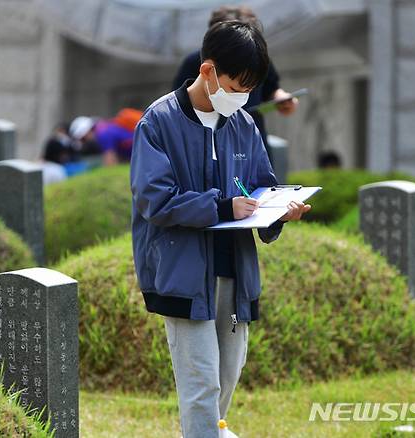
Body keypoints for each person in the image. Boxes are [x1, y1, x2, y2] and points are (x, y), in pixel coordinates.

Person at [130, 21, 311, 438]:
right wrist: (221, 205)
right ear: (208, 71)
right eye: (237, 85)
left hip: (234, 269)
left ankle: (208, 432)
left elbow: (260, 186)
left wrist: (278, 211)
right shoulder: (158, 122)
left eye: (250, 89)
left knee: (228, 373)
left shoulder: (243, 124)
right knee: (202, 384)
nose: (243, 97)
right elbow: (154, 200)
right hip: (183, 273)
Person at [172, 5, 298, 158]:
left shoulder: (247, 123)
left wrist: (281, 98)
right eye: (234, 89)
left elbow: (272, 87)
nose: (240, 99)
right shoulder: (163, 118)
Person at [69, 109, 142, 166]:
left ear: (87, 132)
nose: (84, 142)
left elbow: (110, 160)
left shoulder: (102, 134)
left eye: (83, 139)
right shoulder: (104, 127)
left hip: (143, 152)